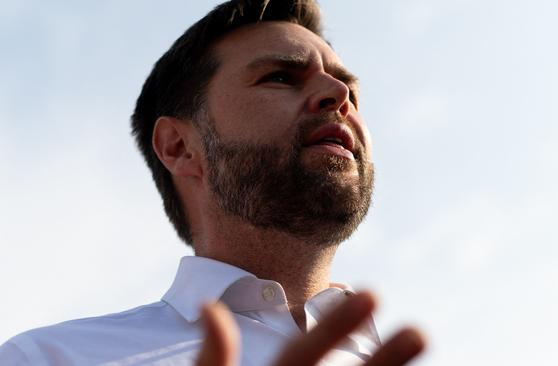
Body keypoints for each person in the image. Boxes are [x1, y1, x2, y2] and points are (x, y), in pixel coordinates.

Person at [0, 1, 426, 365]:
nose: (339, 94)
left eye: (351, 89)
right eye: (280, 76)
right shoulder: (48, 357)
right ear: (180, 147)